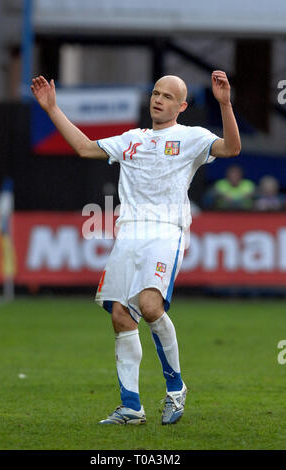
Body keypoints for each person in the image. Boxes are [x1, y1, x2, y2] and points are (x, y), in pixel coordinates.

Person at [31, 70, 241, 425]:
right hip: (128, 233)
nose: (158, 100)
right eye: (156, 93)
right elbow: (84, 147)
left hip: (165, 231)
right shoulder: (132, 138)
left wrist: (225, 104)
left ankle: (175, 387)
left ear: (182, 106)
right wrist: (52, 109)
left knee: (149, 304)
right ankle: (131, 407)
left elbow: (232, 148)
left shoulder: (191, 138)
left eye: (168, 96)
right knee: (120, 315)